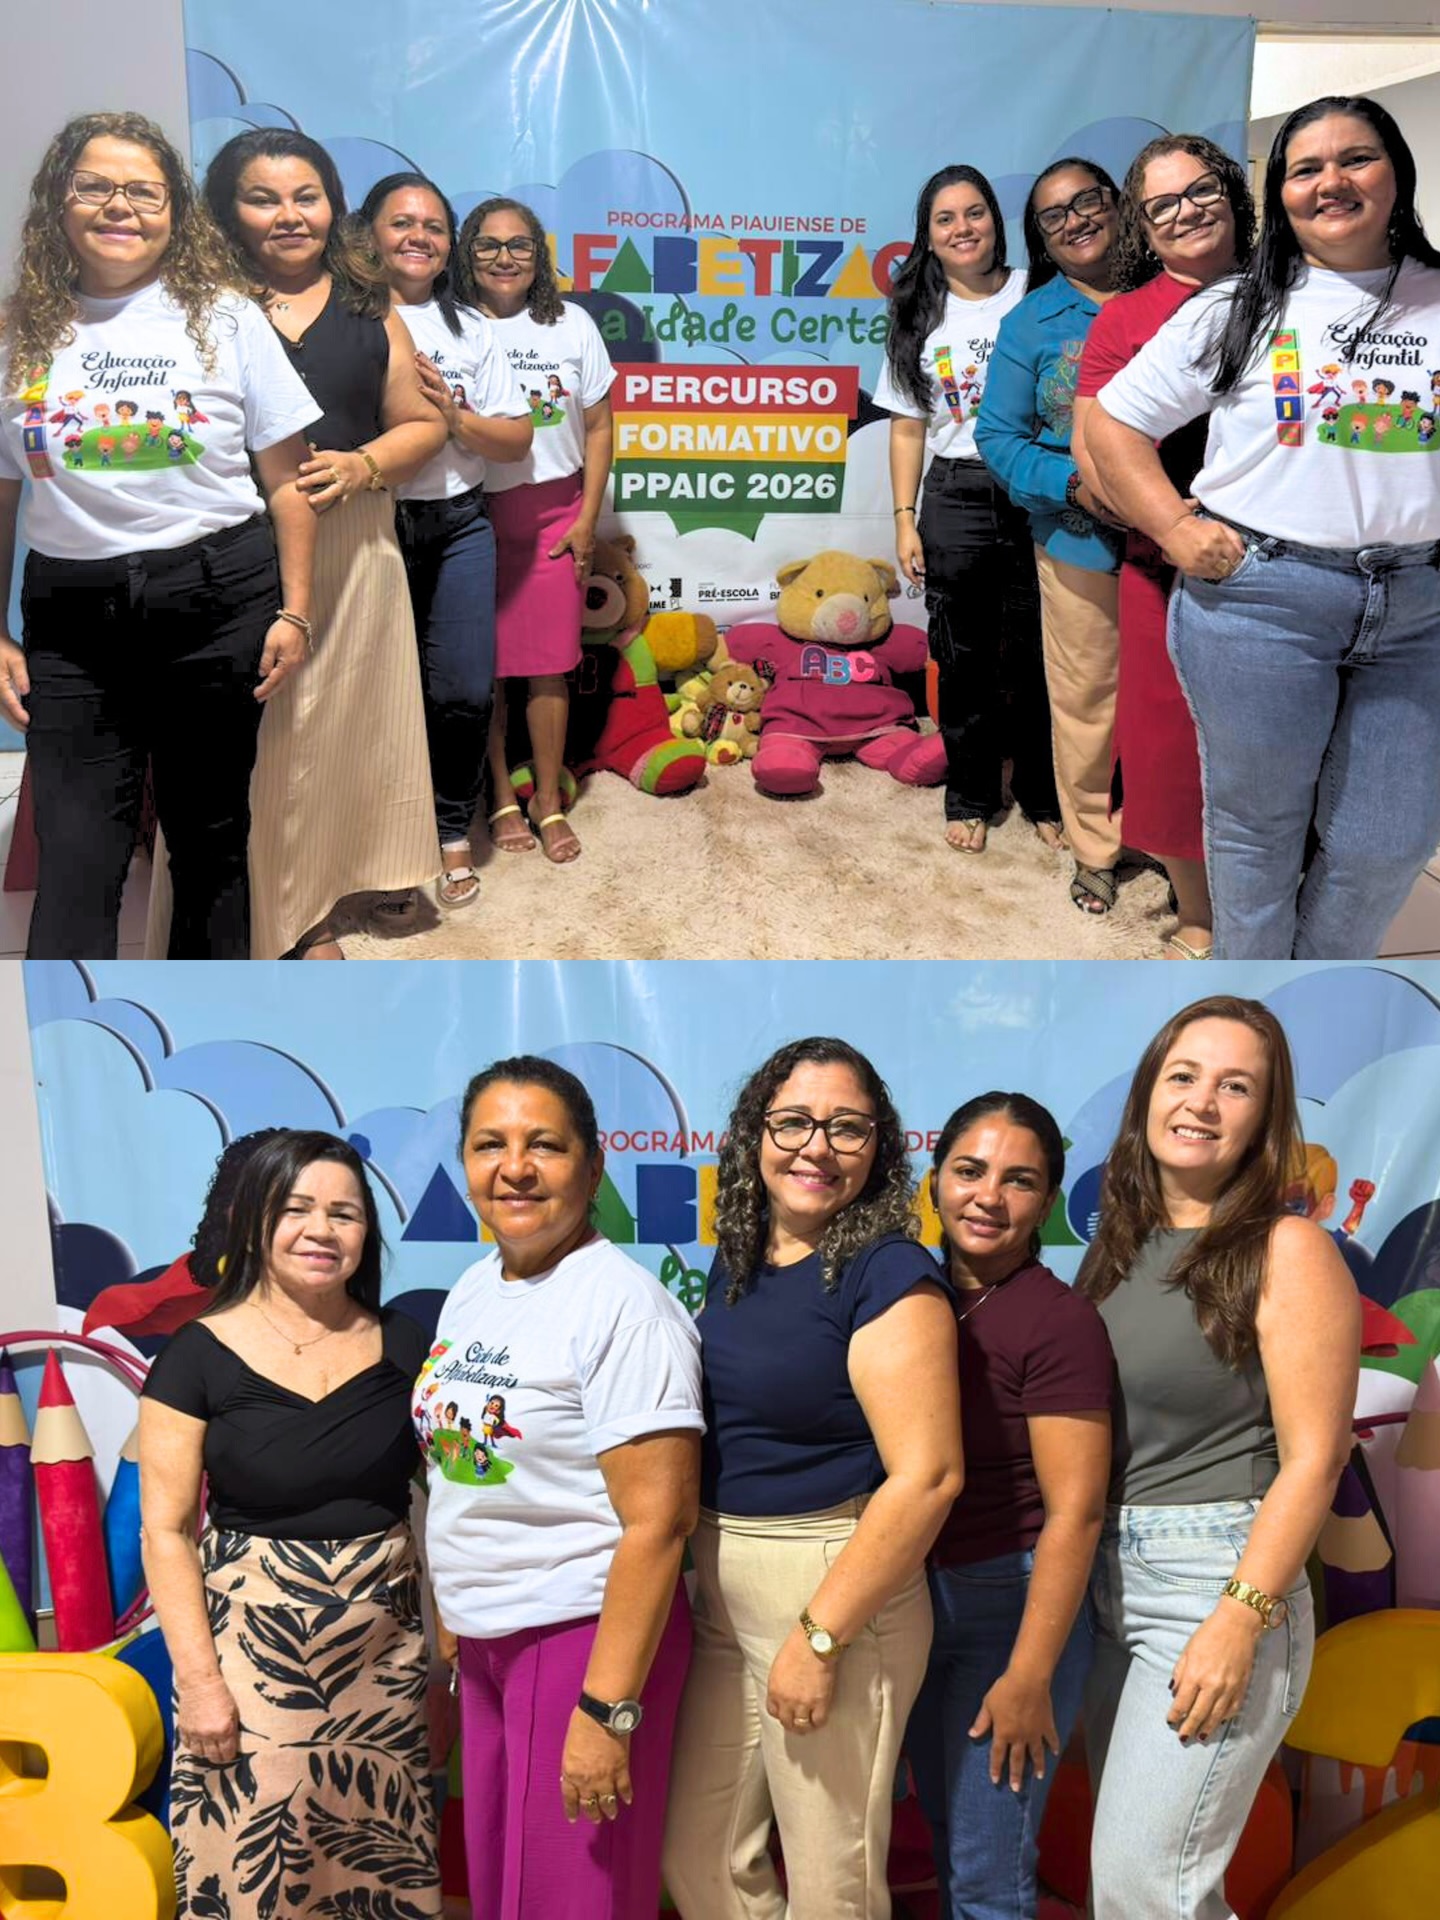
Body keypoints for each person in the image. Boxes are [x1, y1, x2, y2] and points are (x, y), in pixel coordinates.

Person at [1086, 97, 1440, 960]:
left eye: (1355, 159)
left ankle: (1309, 989)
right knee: (1255, 836)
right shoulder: (1239, 306)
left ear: (1397, 171)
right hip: (1262, 602)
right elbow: (1112, 425)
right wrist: (1172, 527)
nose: (1331, 182)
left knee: (1387, 841)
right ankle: (1258, 1003)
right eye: (1305, 168)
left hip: (1419, 607)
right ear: (1279, 193)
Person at [0, 111, 317, 960]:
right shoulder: (14, 328)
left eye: (143, 190)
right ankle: (71, 1052)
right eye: (95, 186)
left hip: (219, 599)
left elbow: (287, 480)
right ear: (58, 201)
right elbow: (1, 496)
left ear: (174, 209)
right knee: (75, 859)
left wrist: (297, 612)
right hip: (72, 621)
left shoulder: (224, 317)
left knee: (212, 844)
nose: (120, 206)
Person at [662, 1037, 964, 1920]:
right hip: (725, 1591)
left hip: (830, 1585)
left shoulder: (890, 1271)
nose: (817, 1147)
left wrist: (821, 1636)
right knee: (702, 1860)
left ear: (879, 1148)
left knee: (834, 1884)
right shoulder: (739, 1260)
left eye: (846, 1128)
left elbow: (929, 1476)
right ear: (755, 1133)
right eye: (793, 1121)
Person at [1075, 996, 1358, 1918]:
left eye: (1235, 1086)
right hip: (1106, 1586)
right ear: (1148, 1094)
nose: (1202, 1101)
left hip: (1217, 1580)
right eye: (1184, 1076)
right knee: (1138, 1888)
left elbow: (1316, 1459)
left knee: (1147, 1890)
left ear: (1263, 1121)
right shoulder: (1112, 1253)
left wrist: (1240, 1616)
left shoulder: (1289, 1249)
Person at [423, 1055, 702, 1920]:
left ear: (592, 1165)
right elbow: (463, 1473)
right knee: (505, 1893)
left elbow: (660, 1522)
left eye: (544, 1144)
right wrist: (456, 1613)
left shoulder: (622, 1306)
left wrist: (606, 1709)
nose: (515, 1168)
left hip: (583, 1637)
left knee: (576, 1898)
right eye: (489, 1145)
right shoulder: (474, 1289)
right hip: (489, 1638)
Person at [137, 1129, 440, 1915]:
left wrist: (442, 1661)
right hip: (250, 1659)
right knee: (263, 1866)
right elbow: (165, 1531)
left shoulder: (408, 1344)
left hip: (385, 1658)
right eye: (297, 1207)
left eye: (345, 1212)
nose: (322, 1229)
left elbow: (449, 1504)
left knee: (377, 1867)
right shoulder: (194, 1356)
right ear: (256, 1220)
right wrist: (200, 1684)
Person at [190, 127, 449, 958]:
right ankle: (281, 920)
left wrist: (364, 463)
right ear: (229, 211)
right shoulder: (198, 302)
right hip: (234, 548)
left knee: (349, 731)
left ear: (334, 207)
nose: (288, 215)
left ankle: (335, 890)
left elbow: (424, 424)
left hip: (357, 545)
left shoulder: (371, 305)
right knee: (263, 743)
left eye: (306, 196)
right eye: (263, 198)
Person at [907, 1093, 1112, 1920]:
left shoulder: (1058, 1322)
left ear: (1048, 1202)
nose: (988, 1196)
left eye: (1019, 1180)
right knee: (945, 1845)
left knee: (989, 1877)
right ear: (935, 1180)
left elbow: (1076, 1513)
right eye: (969, 1170)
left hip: (1011, 1611)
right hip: (917, 1606)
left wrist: (1028, 1676)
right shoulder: (905, 1294)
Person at [1072, 137, 1256, 962]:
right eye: (1162, 203)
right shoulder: (1124, 318)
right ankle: (1198, 912)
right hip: (1164, 565)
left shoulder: (1301, 290)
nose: (1187, 211)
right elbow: (1092, 451)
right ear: (1142, 225)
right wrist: (1166, 525)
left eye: (1201, 189)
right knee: (1169, 747)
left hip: (1298, 566)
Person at [878, 166, 1064, 858]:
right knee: (963, 658)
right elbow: (906, 427)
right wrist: (904, 516)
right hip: (954, 491)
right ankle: (973, 795)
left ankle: (1045, 793)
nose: (964, 229)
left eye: (975, 212)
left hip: (1039, 486)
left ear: (997, 219)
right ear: (928, 236)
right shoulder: (917, 314)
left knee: (1042, 655)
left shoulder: (1039, 293)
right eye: (946, 219)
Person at [360, 172, 533, 910]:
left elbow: (517, 440)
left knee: (461, 691)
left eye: (433, 226)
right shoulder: (346, 319)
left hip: (461, 522)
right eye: (402, 222)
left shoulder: (473, 328)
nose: (418, 237)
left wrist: (452, 419)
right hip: (370, 526)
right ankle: (386, 851)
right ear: (368, 233)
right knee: (376, 698)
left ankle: (449, 831)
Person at [975, 159, 1127, 917]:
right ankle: (1096, 848)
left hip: (1195, 544)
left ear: (1118, 203)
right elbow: (998, 438)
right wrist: (1077, 484)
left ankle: (1176, 837)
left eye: (1087, 202)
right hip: (1078, 540)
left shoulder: (1182, 297)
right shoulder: (1031, 322)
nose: (1074, 221)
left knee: (1183, 706)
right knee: (1086, 700)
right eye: (1052, 215)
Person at [456, 197, 616, 865]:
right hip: (477, 518)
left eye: (518, 244)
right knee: (485, 671)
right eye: (488, 245)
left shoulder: (572, 324)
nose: (504, 257)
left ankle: (548, 801)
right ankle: (497, 796)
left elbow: (602, 428)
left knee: (550, 669)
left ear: (538, 255)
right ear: (467, 254)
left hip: (557, 516)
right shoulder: (451, 326)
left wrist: (586, 520)